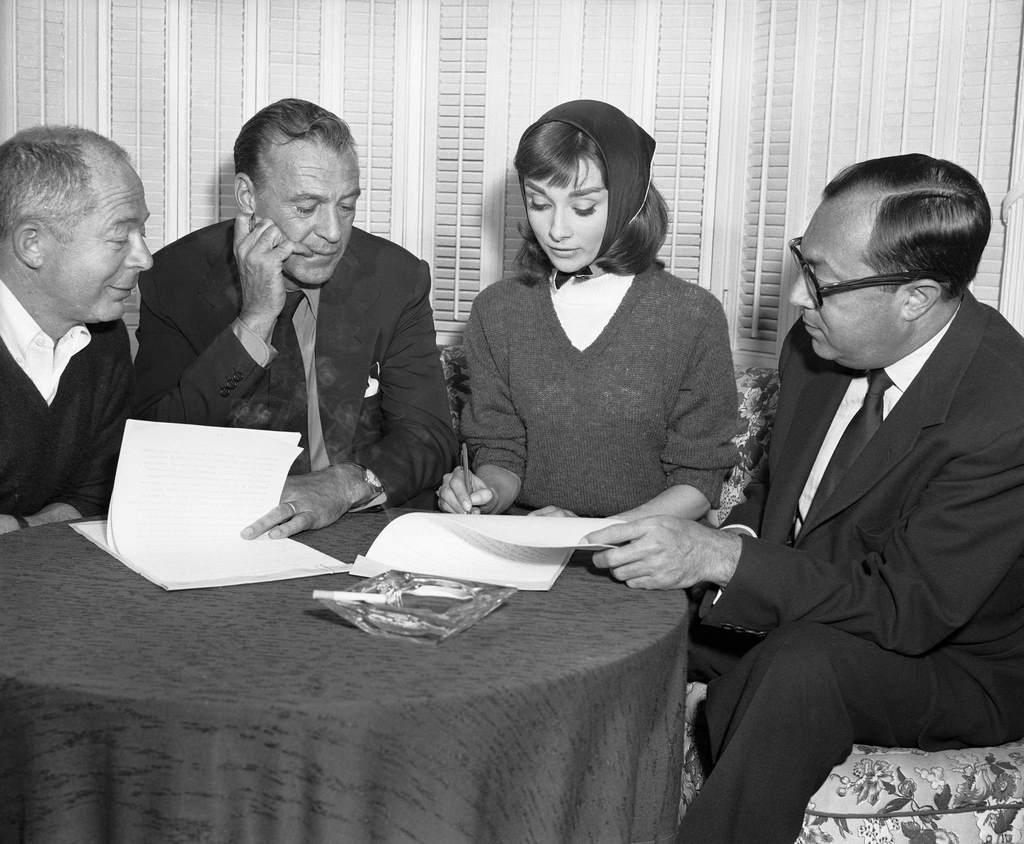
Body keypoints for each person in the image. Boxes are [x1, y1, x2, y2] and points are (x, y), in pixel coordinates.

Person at [585, 154, 1024, 843]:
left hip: (947, 658)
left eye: (821, 280)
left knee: (798, 671)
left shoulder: (1007, 409)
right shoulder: (817, 345)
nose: (796, 296)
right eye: (803, 259)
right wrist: (735, 542)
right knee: (610, 620)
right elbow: (776, 491)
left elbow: (906, 610)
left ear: (916, 297)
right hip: (815, 605)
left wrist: (725, 559)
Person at [133, 98, 457, 538]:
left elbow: (429, 434)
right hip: (230, 531)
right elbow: (156, 448)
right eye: (306, 208)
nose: (333, 233)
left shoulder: (396, 278)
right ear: (248, 196)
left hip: (364, 524)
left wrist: (344, 484)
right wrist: (254, 321)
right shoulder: (174, 280)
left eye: (346, 205)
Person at [437, 100, 736, 520]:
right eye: (539, 204)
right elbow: (501, 449)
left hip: (644, 553)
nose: (557, 231)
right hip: (528, 540)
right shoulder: (497, 311)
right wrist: (485, 494)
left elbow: (699, 479)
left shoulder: (692, 316)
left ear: (630, 199)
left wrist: (593, 534)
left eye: (583, 208)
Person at [0, 126, 151, 534]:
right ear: (33, 244)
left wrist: (21, 527)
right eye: (120, 236)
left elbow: (96, 493)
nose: (145, 258)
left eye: (143, 233)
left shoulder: (106, 340)